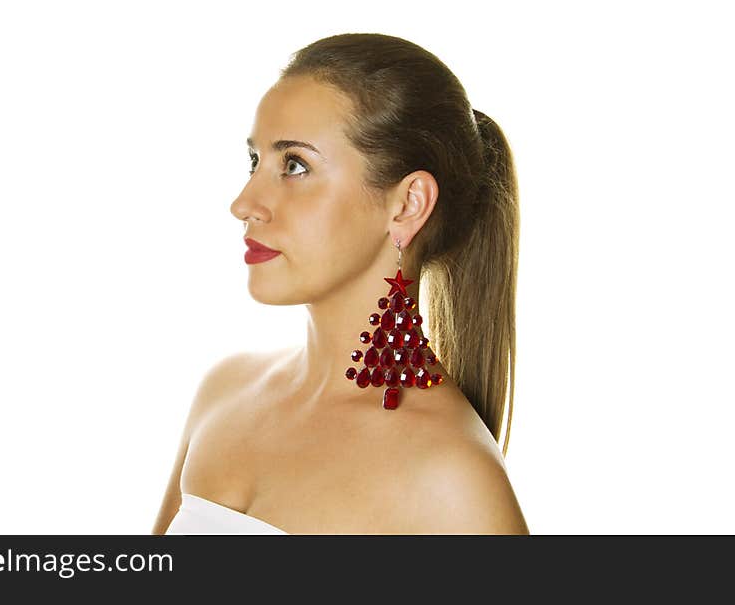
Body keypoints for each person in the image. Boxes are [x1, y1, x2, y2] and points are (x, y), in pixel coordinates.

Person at [153, 33, 528, 535]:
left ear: (407, 205)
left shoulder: (453, 479)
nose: (244, 203)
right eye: (254, 161)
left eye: (295, 165)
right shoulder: (224, 392)